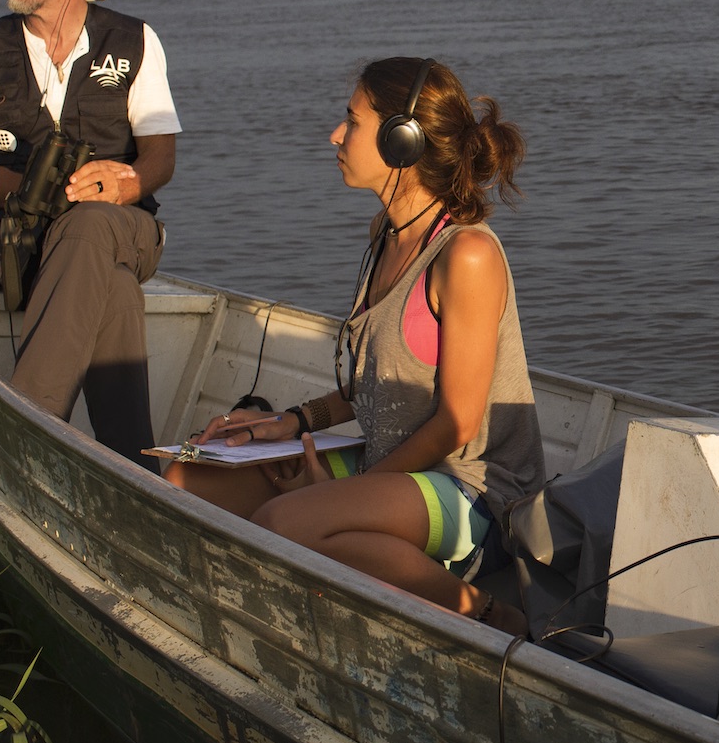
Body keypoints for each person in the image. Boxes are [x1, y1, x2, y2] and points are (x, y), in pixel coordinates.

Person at [174, 57, 544, 633]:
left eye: (352, 120)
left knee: (284, 523)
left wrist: (355, 490)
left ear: (403, 140)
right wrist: (291, 424)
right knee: (187, 480)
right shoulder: (386, 233)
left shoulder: (466, 256)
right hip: (392, 466)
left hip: (473, 494)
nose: (336, 135)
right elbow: (375, 380)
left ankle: (496, 619)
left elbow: (456, 425)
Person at [0, 0, 179, 463]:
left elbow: (161, 160)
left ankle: (26, 432)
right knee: (114, 290)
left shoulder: (135, 41)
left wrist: (123, 185)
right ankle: (133, 466)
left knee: (94, 223)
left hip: (128, 230)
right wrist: (32, 193)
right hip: (25, 247)